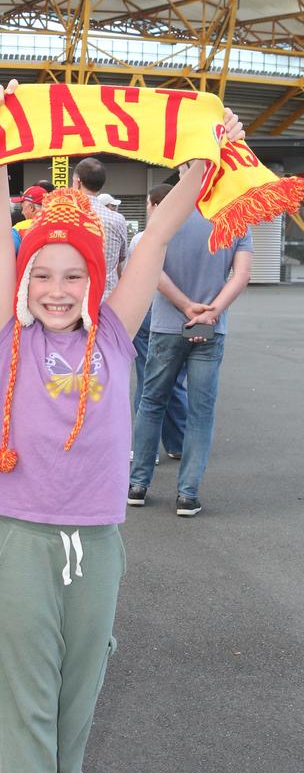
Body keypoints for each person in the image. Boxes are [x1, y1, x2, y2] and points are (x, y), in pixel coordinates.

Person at [0, 78, 244, 773]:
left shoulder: (117, 334)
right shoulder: (11, 333)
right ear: (24, 279)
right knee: (28, 692)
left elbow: (159, 228)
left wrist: (207, 151)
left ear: (97, 277)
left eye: (74, 273)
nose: (57, 287)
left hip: (99, 541)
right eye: (43, 273)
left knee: (79, 689)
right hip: (23, 539)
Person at [128, 173, 253, 516]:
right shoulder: (235, 214)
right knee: (201, 413)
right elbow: (241, 275)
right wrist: (212, 311)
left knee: (151, 403)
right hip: (212, 328)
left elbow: (152, 266)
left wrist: (185, 306)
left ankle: (138, 484)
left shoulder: (169, 211)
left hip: (168, 325)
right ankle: (187, 495)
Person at [128, 184, 186, 461]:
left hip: (148, 311)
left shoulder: (144, 238)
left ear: (152, 204)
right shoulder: (188, 234)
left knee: (148, 381)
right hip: (186, 316)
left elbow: (133, 275)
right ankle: (178, 442)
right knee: (175, 381)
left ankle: (145, 448)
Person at [72, 158, 128, 299]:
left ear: (78, 182)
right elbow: (121, 259)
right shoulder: (117, 219)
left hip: (73, 296)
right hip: (107, 297)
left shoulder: (64, 214)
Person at [11, 185, 47, 252]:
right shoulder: (61, 223)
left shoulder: (19, 229)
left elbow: (4, 254)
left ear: (31, 207)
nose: (22, 212)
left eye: (23, 207)